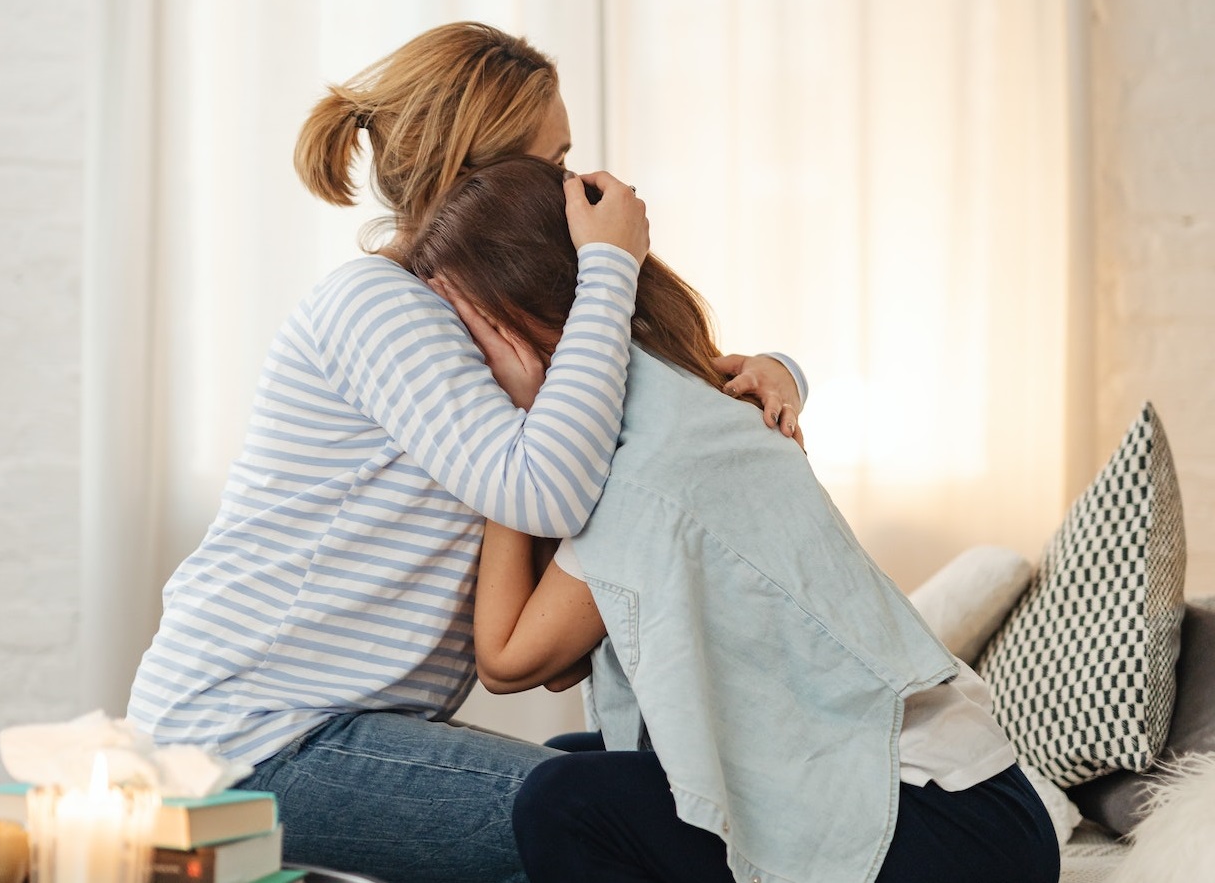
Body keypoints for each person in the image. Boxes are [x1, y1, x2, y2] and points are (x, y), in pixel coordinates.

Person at [126, 21, 807, 883]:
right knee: (613, 829)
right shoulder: (376, 304)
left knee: (621, 806)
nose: (572, 188)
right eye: (555, 162)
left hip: (327, 726)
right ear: (487, 177)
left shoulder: (477, 320)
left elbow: (644, 411)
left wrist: (780, 370)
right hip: (247, 740)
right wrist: (609, 265)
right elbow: (543, 491)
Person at [403, 154, 1062, 883]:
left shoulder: (653, 456)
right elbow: (564, 663)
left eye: (468, 334)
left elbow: (510, 659)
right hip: (944, 806)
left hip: (949, 824)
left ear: (522, 312)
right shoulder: (662, 393)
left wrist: (517, 447)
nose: (460, 365)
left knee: (558, 801)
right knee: (567, 764)